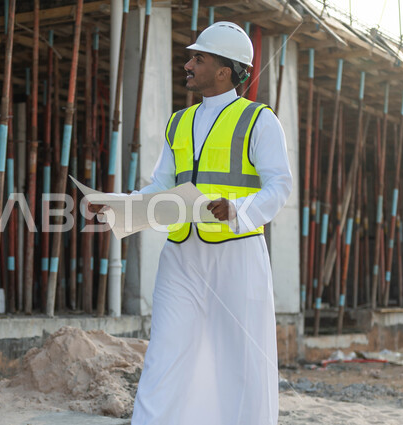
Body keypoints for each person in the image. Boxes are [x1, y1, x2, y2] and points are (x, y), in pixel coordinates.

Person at [127, 22, 292, 424]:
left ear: (225, 70)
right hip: (181, 256)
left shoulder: (259, 120)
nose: (187, 64)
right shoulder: (178, 122)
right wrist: (122, 205)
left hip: (236, 255)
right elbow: (162, 185)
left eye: (198, 58)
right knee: (164, 356)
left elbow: (279, 186)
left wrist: (238, 209)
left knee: (242, 359)